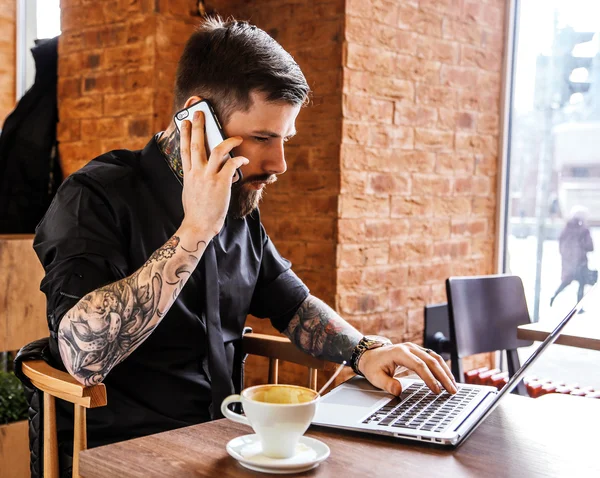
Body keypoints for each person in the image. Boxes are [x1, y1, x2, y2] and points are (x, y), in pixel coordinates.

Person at [33, 17, 457, 463]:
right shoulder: (93, 196)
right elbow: (84, 356)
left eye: (284, 139)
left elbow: (292, 305)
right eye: (262, 137)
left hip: (225, 442)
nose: (279, 163)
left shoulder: (238, 200)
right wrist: (195, 230)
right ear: (198, 119)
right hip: (115, 453)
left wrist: (364, 351)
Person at [550, 206, 595, 307]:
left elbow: (561, 242)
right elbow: (590, 246)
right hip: (581, 262)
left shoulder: (567, 228)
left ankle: (555, 295)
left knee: (566, 281)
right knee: (581, 284)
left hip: (569, 261)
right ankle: (579, 305)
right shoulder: (584, 230)